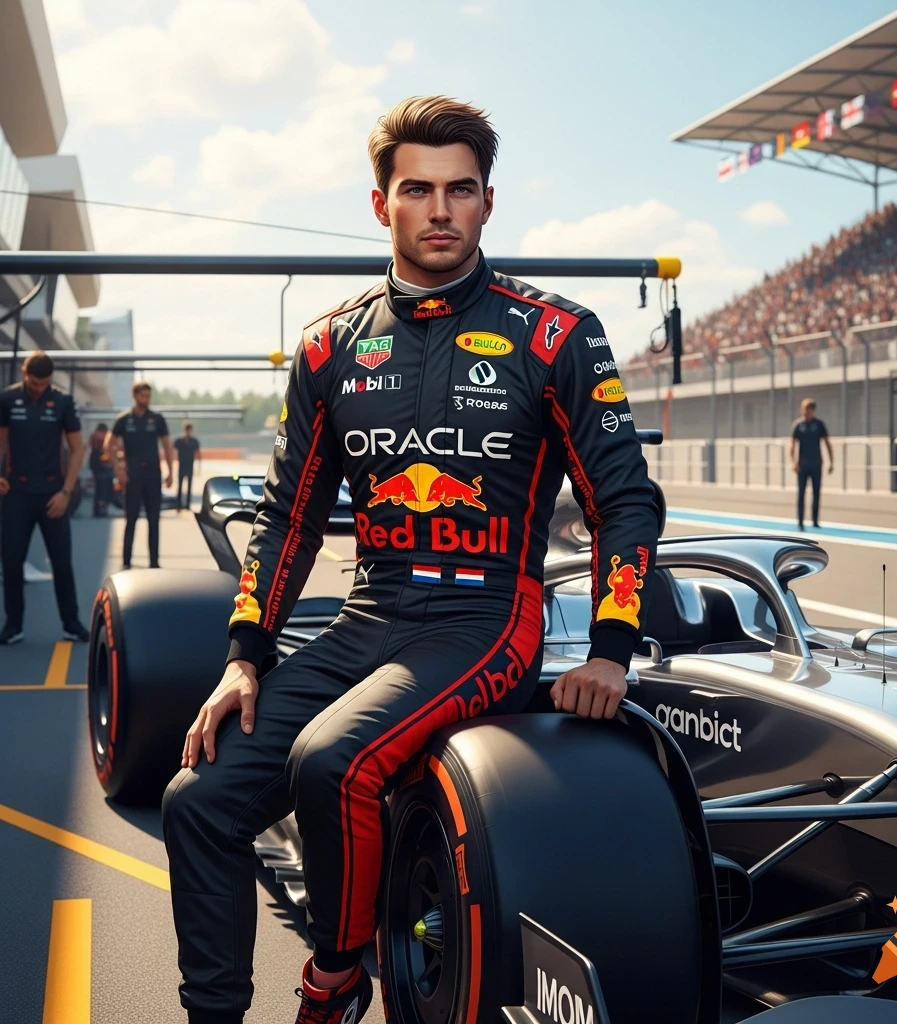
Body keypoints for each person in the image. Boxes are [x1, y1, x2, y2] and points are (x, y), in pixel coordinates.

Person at [161, 95, 659, 1024]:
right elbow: (288, 517)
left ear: (487, 203)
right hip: (369, 621)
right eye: (419, 189)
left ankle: (337, 979)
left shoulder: (557, 334)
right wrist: (243, 656)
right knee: (197, 798)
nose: (441, 209)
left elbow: (624, 501)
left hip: (487, 622)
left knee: (331, 761)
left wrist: (610, 648)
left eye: (460, 190)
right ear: (381, 203)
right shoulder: (328, 345)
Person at [0, 351, 90, 645]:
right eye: (35, 383)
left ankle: (71, 624)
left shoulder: (63, 401)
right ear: (25, 373)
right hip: (16, 494)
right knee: (12, 563)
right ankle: (14, 625)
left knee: (62, 563)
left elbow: (77, 448)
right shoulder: (7, 399)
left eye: (44, 384)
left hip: (54, 496)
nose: (39, 388)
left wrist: (66, 491)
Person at [106, 382, 173, 569]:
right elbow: (108, 444)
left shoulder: (157, 419)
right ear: (135, 396)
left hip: (153, 475)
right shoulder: (124, 419)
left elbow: (167, 446)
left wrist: (170, 473)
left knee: (154, 520)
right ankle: (126, 562)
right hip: (132, 476)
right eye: (143, 396)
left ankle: (154, 562)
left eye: (148, 396)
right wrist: (118, 470)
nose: (146, 400)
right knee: (131, 519)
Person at [789, 397, 833, 530]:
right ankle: (800, 522)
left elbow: (827, 442)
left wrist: (831, 461)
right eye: (803, 409)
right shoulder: (798, 425)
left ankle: (815, 520)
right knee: (801, 493)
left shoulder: (819, 424)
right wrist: (793, 462)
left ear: (812, 410)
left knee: (816, 492)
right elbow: (792, 445)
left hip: (816, 463)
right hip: (803, 464)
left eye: (807, 409)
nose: (805, 412)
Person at [88, 421, 114, 517]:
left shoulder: (94, 436)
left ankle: (98, 509)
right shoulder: (101, 436)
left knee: (99, 489)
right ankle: (102, 508)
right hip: (101, 466)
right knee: (103, 489)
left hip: (96, 465)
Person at [174, 422, 201, 512]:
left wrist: (198, 467)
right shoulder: (179, 441)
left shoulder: (194, 441)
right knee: (180, 486)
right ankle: (178, 504)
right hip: (182, 465)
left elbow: (197, 453)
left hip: (190, 465)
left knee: (189, 486)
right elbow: (174, 451)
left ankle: (187, 504)